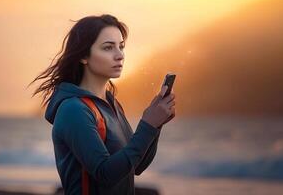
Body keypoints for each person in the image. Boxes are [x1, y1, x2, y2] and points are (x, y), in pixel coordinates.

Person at [29, 14, 176, 195]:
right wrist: (148, 124)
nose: (120, 55)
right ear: (84, 56)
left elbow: (136, 166)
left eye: (121, 47)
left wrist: (156, 125)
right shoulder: (73, 110)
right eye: (108, 48)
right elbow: (105, 174)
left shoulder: (111, 104)